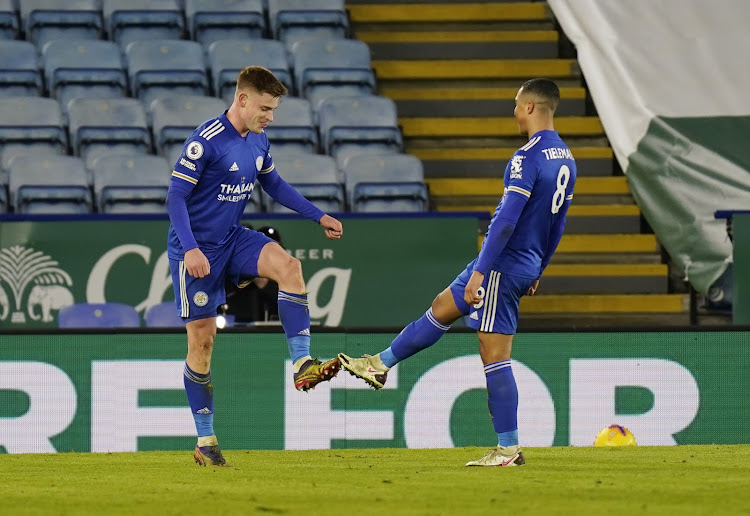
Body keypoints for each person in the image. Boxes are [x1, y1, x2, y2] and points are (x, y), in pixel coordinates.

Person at [338, 78, 576, 467]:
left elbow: (504, 222)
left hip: (502, 263)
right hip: (521, 262)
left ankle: (508, 449)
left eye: (516, 104)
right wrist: (541, 267)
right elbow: (558, 223)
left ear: (531, 107)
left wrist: (483, 271)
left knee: (494, 355)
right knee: (443, 306)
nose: (514, 110)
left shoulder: (527, 156)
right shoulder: (565, 157)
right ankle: (379, 365)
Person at [166, 66, 344, 467]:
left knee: (290, 268)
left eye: (274, 109)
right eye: (265, 108)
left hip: (233, 238)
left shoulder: (259, 140)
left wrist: (318, 216)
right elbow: (175, 197)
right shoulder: (206, 141)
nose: (270, 117)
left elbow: (274, 185)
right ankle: (205, 439)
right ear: (242, 99)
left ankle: (302, 364)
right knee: (203, 344)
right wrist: (192, 249)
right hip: (196, 252)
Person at [222, 225, 284, 323]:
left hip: (274, 335)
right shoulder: (233, 281)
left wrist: (264, 283)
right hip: (237, 335)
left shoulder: (283, 283)